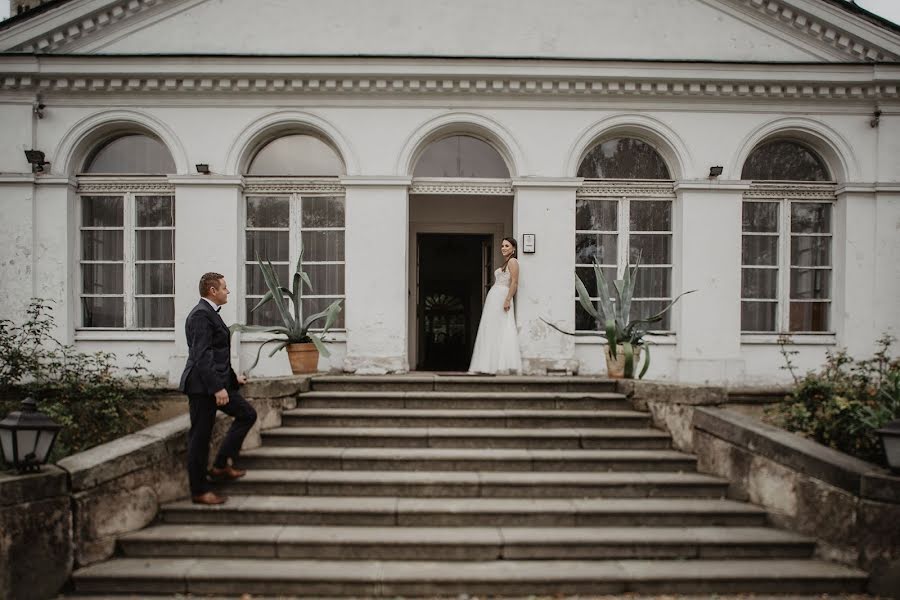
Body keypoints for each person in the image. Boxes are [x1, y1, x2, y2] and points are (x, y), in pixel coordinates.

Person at [179, 272, 257, 505]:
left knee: (247, 414)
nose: (228, 292)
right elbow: (202, 356)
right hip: (202, 388)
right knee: (200, 438)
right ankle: (199, 491)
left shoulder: (209, 314)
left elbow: (219, 354)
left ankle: (221, 465)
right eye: (224, 288)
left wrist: (233, 381)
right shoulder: (201, 315)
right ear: (213, 291)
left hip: (216, 384)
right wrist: (217, 389)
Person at [468, 237, 522, 374]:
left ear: (513, 249)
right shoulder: (505, 263)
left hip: (502, 297)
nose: (503, 248)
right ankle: (488, 365)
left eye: (507, 246)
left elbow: (514, 282)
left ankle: (500, 365)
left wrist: (508, 299)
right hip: (495, 298)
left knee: (502, 328)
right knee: (491, 329)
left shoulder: (513, 261)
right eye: (502, 245)